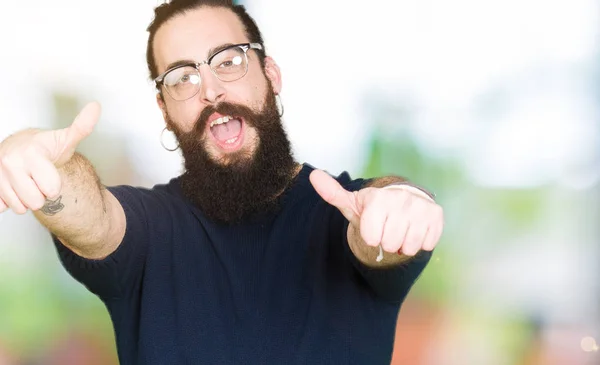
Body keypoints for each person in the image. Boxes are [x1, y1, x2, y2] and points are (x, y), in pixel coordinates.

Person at [0, 0, 445, 364]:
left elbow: (378, 221)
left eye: (228, 60)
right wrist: (34, 160)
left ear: (270, 75)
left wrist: (400, 203)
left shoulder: (345, 210)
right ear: (164, 108)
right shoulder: (149, 232)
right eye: (182, 77)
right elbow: (92, 218)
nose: (210, 89)